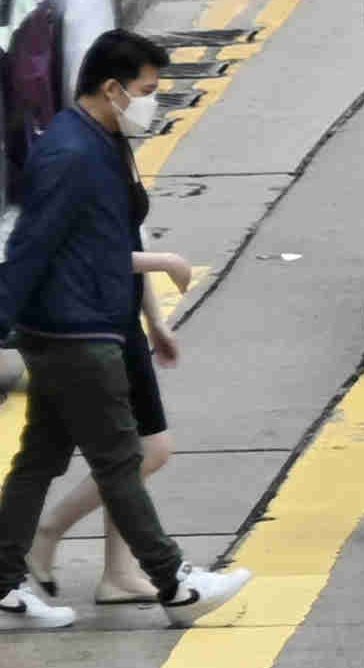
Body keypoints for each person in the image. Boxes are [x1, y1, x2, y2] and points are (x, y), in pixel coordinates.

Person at [0, 31, 234, 624]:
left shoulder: (102, 139)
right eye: (147, 91)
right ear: (111, 89)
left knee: (41, 461)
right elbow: (30, 246)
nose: (154, 102)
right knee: (118, 459)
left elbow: (112, 238)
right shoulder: (71, 154)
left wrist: (150, 316)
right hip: (73, 330)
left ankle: (3, 585)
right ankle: (173, 582)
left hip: (86, 322)